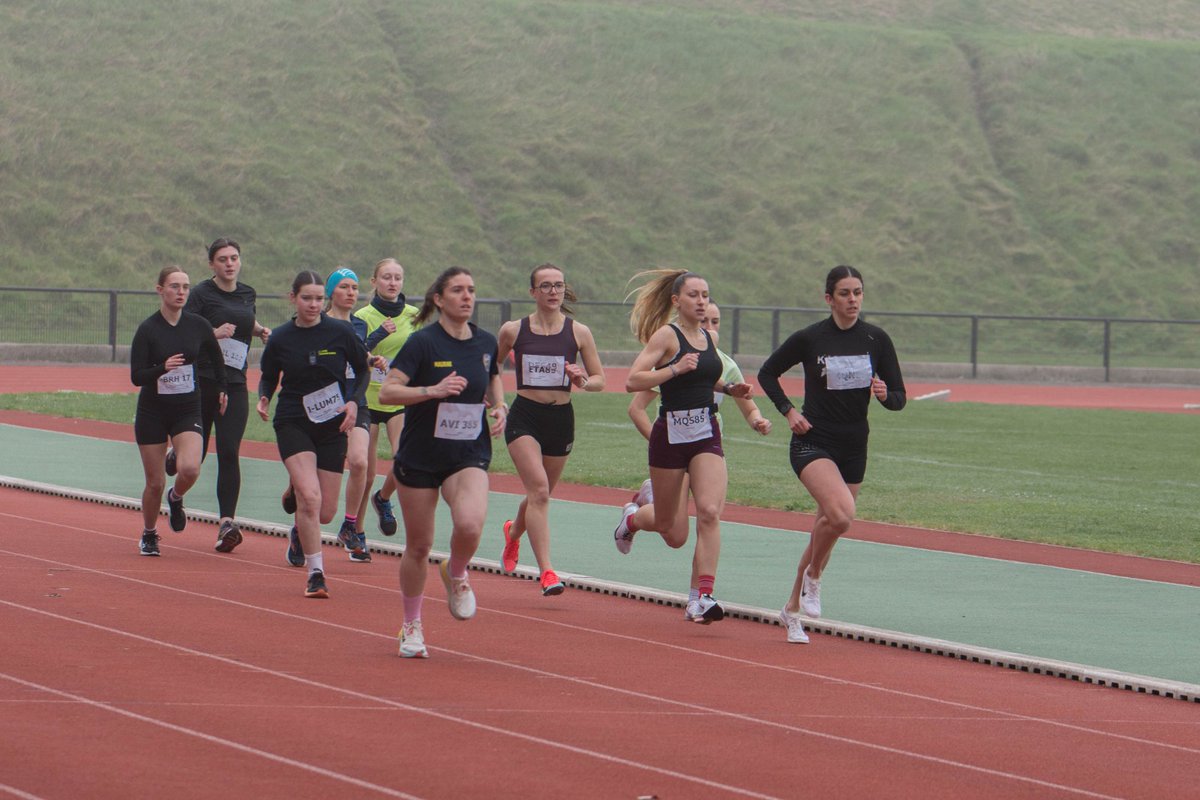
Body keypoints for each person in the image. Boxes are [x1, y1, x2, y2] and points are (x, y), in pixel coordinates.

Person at [757, 265, 906, 644]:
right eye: (844, 293)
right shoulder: (811, 338)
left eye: (858, 292)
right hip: (813, 441)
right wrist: (789, 412)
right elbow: (767, 373)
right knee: (840, 516)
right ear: (829, 298)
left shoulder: (876, 339)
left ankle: (792, 609)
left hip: (854, 446)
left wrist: (885, 395)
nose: (853, 300)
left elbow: (899, 398)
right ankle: (815, 576)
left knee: (826, 527)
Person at [378, 267, 506, 658]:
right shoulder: (422, 343)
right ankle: (411, 625)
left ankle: (456, 571)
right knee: (419, 546)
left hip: (467, 453)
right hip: (420, 456)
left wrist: (500, 405)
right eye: (457, 290)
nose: (467, 297)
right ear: (439, 299)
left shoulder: (486, 342)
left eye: (471, 290)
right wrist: (431, 390)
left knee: (469, 524)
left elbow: (493, 376)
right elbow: (387, 392)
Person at [613, 270, 752, 625]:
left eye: (705, 294)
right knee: (671, 530)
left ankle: (702, 597)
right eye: (694, 295)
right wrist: (674, 369)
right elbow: (633, 380)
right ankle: (631, 519)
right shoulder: (666, 336)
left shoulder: (709, 337)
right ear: (677, 301)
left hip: (706, 434)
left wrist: (728, 389)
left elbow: (706, 377)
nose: (701, 301)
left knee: (709, 511)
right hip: (670, 439)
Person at [257, 270, 368, 598]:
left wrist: (353, 402)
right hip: (293, 421)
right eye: (307, 298)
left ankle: (297, 487)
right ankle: (315, 574)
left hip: (333, 424)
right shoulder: (281, 337)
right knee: (311, 498)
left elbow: (362, 369)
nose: (314, 304)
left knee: (326, 512)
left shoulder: (341, 332)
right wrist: (264, 397)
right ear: (293, 298)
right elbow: (268, 375)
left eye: (319, 299)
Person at [496, 264, 606, 596]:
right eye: (545, 286)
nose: (553, 291)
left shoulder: (579, 332)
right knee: (540, 491)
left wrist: (582, 380)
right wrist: (497, 402)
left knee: (539, 495)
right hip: (524, 417)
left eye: (558, 285)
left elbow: (599, 380)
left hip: (560, 419)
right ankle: (547, 572)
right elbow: (491, 367)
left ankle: (513, 532)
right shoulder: (513, 330)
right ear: (533, 292)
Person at [167, 238, 271, 554]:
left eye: (234, 258)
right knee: (194, 458)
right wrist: (214, 334)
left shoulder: (248, 293)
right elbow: (183, 334)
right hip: (201, 382)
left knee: (228, 451)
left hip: (235, 382)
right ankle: (175, 496)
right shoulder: (200, 294)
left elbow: (245, 320)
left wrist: (261, 331)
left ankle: (227, 523)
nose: (229, 263)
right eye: (223, 259)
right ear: (212, 264)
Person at [130, 267, 227, 556]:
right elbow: (136, 376)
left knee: (190, 468)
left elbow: (216, 357)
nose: (181, 292)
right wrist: (162, 368)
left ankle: (176, 496)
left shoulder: (198, 325)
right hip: (153, 412)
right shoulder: (148, 329)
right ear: (160, 290)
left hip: (187, 408)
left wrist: (222, 388)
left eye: (185, 286)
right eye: (174, 286)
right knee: (155, 482)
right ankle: (149, 533)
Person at [351, 258, 421, 541]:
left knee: (405, 460)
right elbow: (355, 352)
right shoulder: (362, 316)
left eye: (397, 278)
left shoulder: (414, 315)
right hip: (368, 399)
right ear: (374, 282)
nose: (393, 283)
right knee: (366, 474)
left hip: (397, 399)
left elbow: (422, 351)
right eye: (386, 277)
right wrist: (380, 334)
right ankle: (356, 532)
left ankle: (383, 498)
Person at [324, 267, 389, 562]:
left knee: (360, 461)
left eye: (354, 287)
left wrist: (373, 360)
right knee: (319, 474)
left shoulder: (359, 325)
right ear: (331, 293)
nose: (351, 292)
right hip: (325, 403)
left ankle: (349, 525)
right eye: (344, 287)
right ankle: (301, 529)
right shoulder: (319, 323)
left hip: (356, 401)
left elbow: (359, 355)